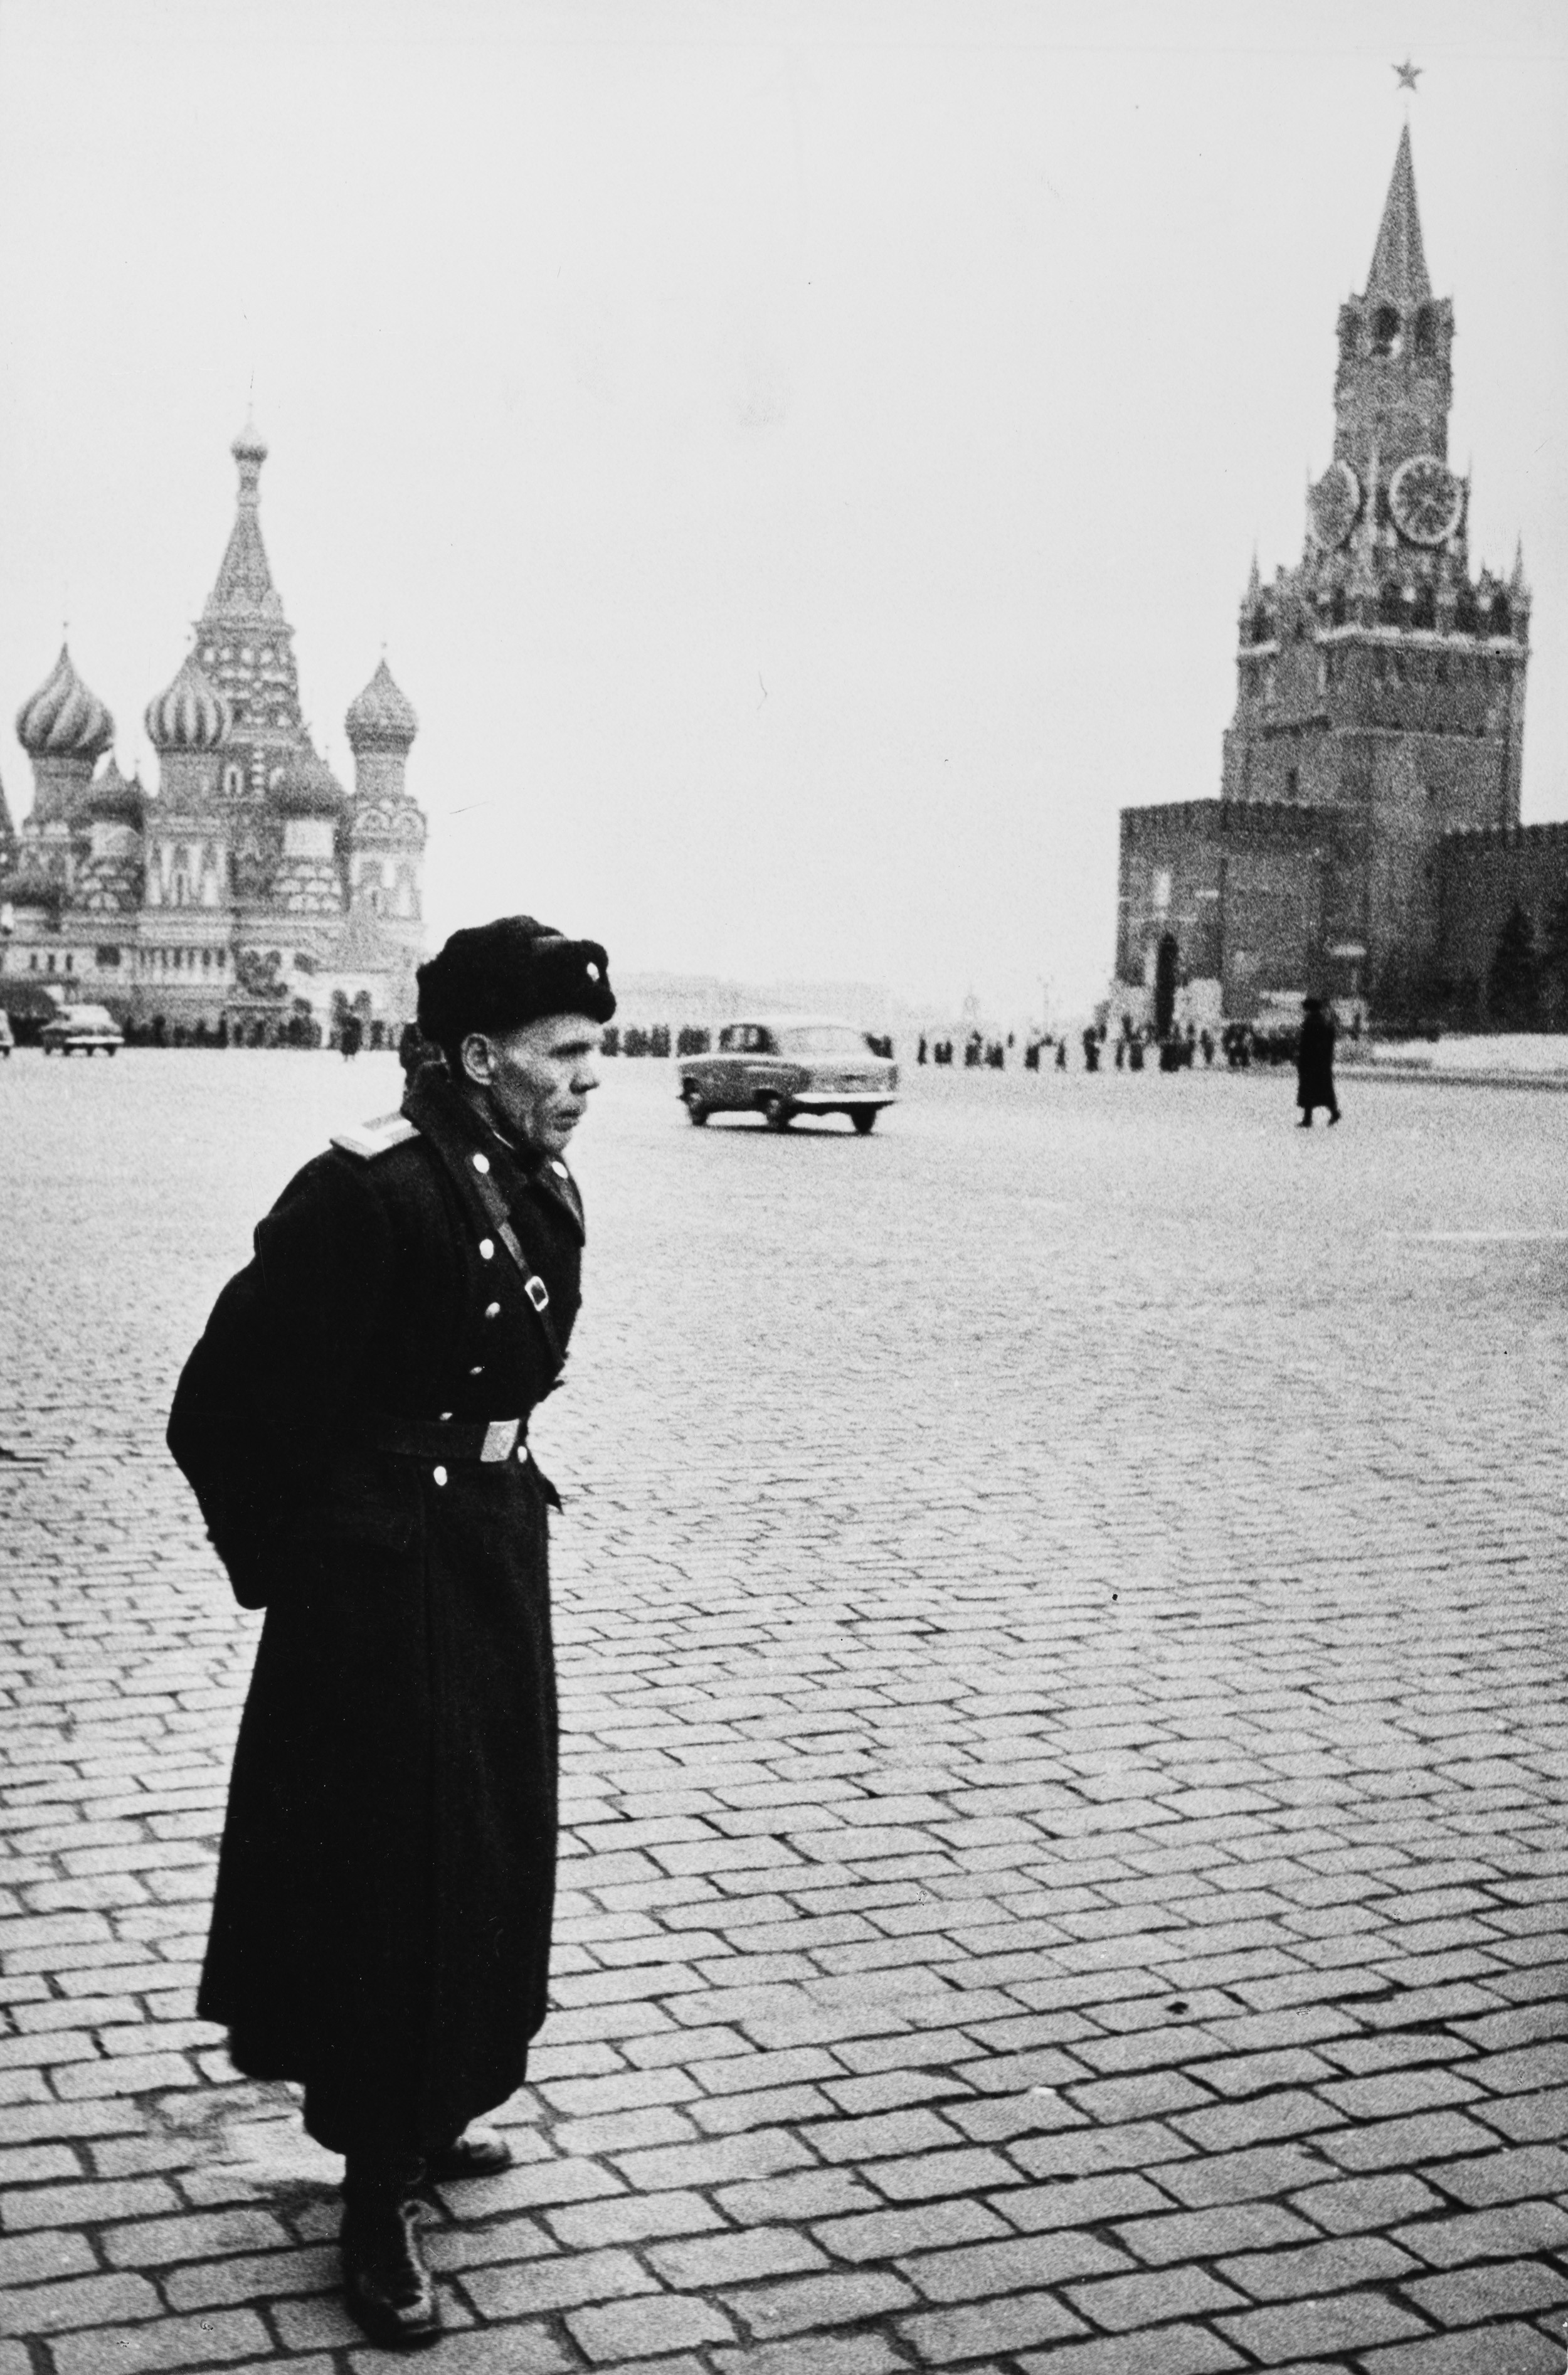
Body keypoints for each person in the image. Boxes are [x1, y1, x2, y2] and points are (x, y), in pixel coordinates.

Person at [167, 915, 615, 2348]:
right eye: (563, 1052)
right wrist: (304, 1569)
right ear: (479, 1057)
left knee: (486, 1845)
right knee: (392, 1871)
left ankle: (435, 2104)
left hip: (488, 1558)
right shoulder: (369, 1190)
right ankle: (374, 2192)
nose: (590, 1077)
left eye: (595, 1049)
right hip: (381, 1586)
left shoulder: (536, 1181)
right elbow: (221, 1405)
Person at [1296, 993, 1340, 1127]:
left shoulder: (1310, 1022)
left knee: (1308, 1090)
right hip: (1321, 1063)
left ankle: (1308, 1119)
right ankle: (1333, 1112)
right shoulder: (1322, 1021)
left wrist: (1301, 1059)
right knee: (1323, 1091)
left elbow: (1306, 1043)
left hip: (1310, 1062)